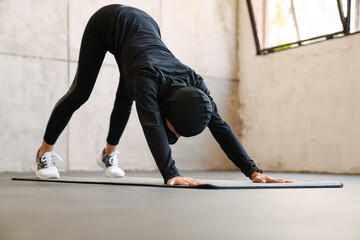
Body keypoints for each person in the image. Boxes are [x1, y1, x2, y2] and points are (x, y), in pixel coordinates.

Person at [34, 4, 292, 186]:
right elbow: (151, 126)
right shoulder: (147, 78)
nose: (175, 137)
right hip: (106, 22)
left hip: (147, 28)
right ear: (167, 110)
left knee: (126, 96)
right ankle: (44, 152)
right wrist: (171, 173)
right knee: (81, 93)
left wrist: (252, 170)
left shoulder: (195, 82)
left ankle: (107, 154)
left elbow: (220, 126)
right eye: (177, 131)